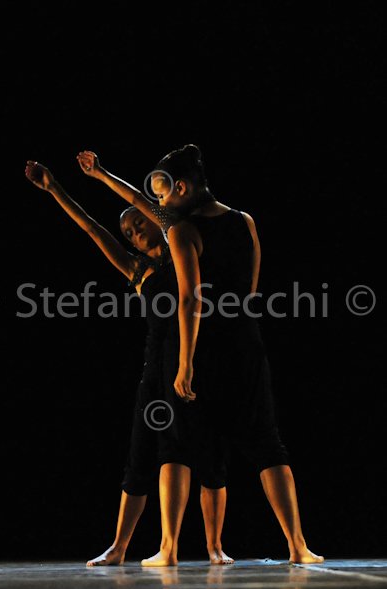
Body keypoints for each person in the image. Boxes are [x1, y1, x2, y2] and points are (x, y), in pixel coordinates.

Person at [76, 146, 324, 564]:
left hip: (203, 347)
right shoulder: (245, 221)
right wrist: (100, 175)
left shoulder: (181, 229)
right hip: (245, 342)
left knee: (178, 445)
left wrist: (186, 362)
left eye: (162, 196)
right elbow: (250, 290)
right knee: (267, 443)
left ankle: (169, 548)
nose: (158, 204)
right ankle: (298, 545)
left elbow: (191, 299)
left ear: (181, 188)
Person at [24, 160, 233, 566]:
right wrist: (54, 189)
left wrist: (102, 174)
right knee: (141, 456)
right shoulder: (138, 270)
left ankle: (214, 546)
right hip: (156, 370)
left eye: (138, 222)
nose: (134, 231)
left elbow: (143, 201)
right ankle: (120, 546)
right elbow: (91, 228)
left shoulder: (183, 244)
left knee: (209, 454)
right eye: (128, 232)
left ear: (155, 220)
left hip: (196, 361)